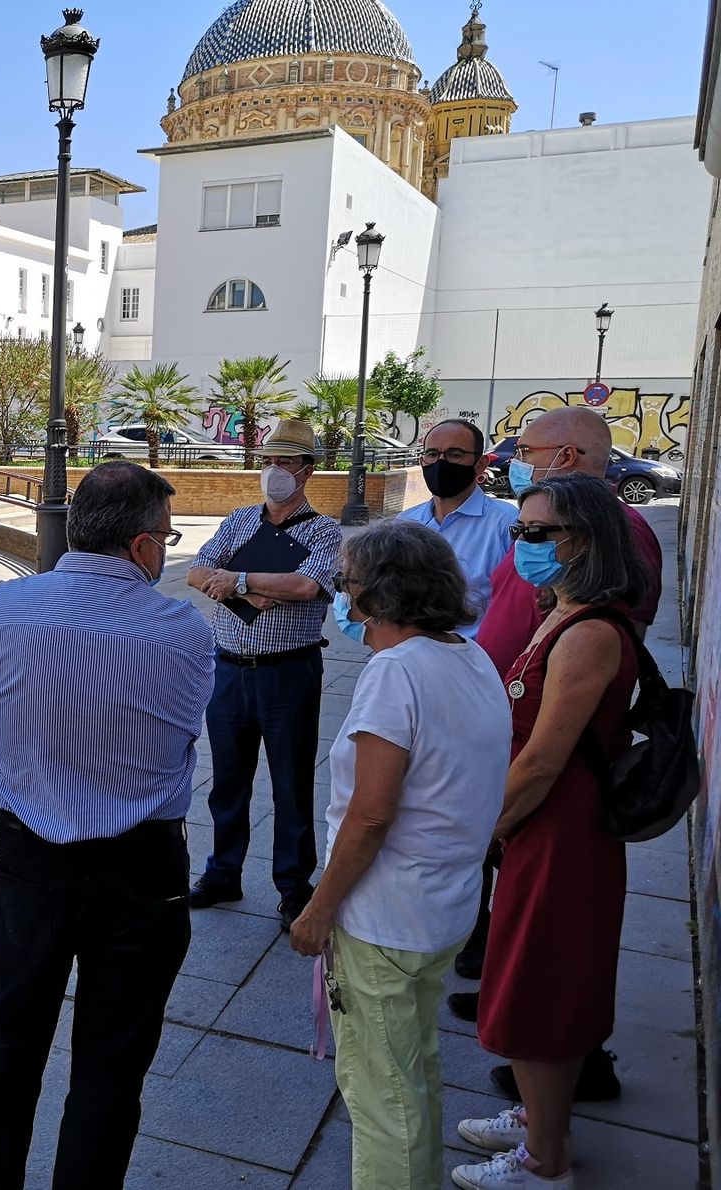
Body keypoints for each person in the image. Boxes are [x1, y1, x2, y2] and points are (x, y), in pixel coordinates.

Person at [0, 461, 215, 1190]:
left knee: (8, 1043)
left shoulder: (4, 608)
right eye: (167, 537)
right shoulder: (182, 631)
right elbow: (180, 735)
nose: (167, 551)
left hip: (32, 859)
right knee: (112, 1063)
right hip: (143, 868)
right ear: (143, 547)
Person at [288, 520, 510, 1190]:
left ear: (377, 596)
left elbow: (373, 812)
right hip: (440, 909)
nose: (342, 599)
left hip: (387, 918)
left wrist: (318, 910)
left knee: (383, 1095)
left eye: (346, 585)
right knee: (412, 1070)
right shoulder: (469, 658)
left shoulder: (396, 672)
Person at [452, 406, 660, 1102]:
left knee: (552, 961)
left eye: (534, 534)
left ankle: (552, 1112)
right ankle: (539, 1090)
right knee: (529, 953)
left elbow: (554, 747)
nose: (523, 541)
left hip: (555, 795)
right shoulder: (566, 602)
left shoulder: (595, 615)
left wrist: (495, 821)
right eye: (519, 532)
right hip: (525, 775)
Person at [186, 419, 343, 930]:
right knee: (227, 779)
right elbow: (196, 570)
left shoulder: (323, 530)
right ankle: (222, 871)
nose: (274, 471)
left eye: (286, 463)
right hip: (229, 669)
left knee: (291, 781)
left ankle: (294, 884)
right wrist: (243, 588)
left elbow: (307, 585)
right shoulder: (238, 521)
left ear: (307, 471)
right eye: (268, 461)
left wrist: (243, 580)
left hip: (288, 672)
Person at [399, 419, 517, 636]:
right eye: (432, 454)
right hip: (410, 657)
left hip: (477, 659)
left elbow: (517, 605)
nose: (440, 463)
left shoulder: (506, 523)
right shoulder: (404, 524)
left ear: (480, 464)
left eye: (455, 454)